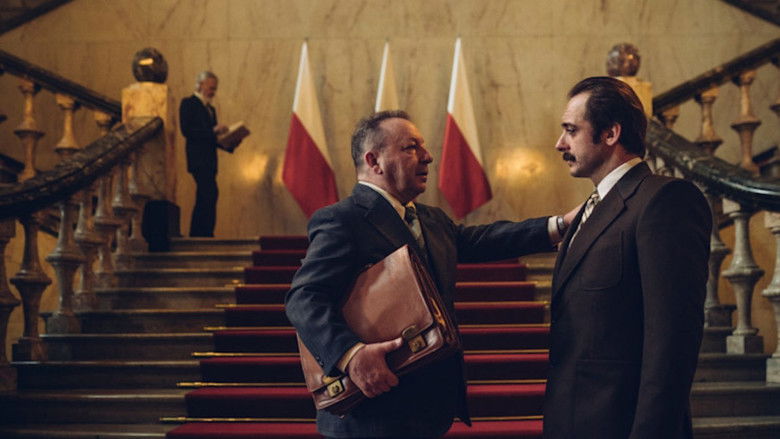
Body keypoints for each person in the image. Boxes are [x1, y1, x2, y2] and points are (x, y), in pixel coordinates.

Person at [285, 110, 575, 438]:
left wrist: (560, 225)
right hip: (371, 410)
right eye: (411, 148)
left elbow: (483, 240)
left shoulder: (431, 219)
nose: (428, 157)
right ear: (374, 160)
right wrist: (350, 355)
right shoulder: (342, 219)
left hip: (427, 411)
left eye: (423, 147)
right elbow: (304, 298)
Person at [544, 76, 711, 439]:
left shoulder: (666, 201)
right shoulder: (588, 209)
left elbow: (672, 343)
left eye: (571, 130)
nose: (560, 144)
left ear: (610, 134)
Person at [179, 71, 228, 237]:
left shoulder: (211, 109)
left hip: (210, 160)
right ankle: (201, 234)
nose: (213, 91)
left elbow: (211, 137)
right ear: (200, 85)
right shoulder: (188, 103)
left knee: (206, 195)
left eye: (215, 88)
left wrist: (229, 142)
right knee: (208, 193)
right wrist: (213, 130)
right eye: (211, 87)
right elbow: (187, 130)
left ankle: (202, 232)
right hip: (198, 159)